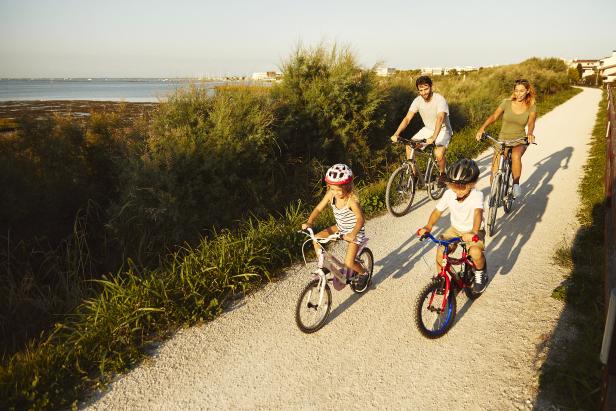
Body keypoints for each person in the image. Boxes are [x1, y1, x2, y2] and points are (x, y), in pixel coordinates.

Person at [416, 159, 487, 293]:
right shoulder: (449, 194)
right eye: (455, 186)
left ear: (472, 184)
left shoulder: (477, 195)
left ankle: (480, 274)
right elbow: (437, 212)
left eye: (463, 186)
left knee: (475, 253)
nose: (458, 190)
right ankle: (442, 279)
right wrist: (428, 227)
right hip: (455, 229)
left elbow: (478, 213)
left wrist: (474, 232)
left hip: (474, 231)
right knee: (441, 251)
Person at [302, 164, 368, 288]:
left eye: (339, 190)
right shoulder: (331, 194)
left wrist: (352, 234)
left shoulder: (351, 200)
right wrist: (310, 221)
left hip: (354, 232)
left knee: (349, 263)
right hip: (340, 227)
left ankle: (364, 273)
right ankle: (323, 264)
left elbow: (360, 219)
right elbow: (318, 208)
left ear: (348, 186)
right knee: (316, 238)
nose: (337, 193)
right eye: (333, 189)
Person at [475, 78, 537, 198]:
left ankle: (515, 184)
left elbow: (531, 122)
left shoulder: (531, 107)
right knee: (494, 168)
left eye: (522, 91)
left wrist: (530, 133)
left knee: (515, 155)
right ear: (513, 91)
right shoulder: (506, 103)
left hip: (519, 140)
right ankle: (493, 194)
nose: (519, 94)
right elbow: (494, 116)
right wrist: (482, 128)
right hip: (502, 139)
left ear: (528, 91)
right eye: (516, 91)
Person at [391, 75, 453, 185]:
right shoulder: (417, 101)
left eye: (426, 89)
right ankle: (414, 176)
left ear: (431, 86)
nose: (424, 92)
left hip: (443, 130)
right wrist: (396, 133)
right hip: (428, 129)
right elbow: (407, 118)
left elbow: (440, 118)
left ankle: (442, 174)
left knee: (438, 153)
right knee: (409, 146)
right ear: (418, 90)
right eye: (421, 90)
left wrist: (433, 137)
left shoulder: (439, 99)